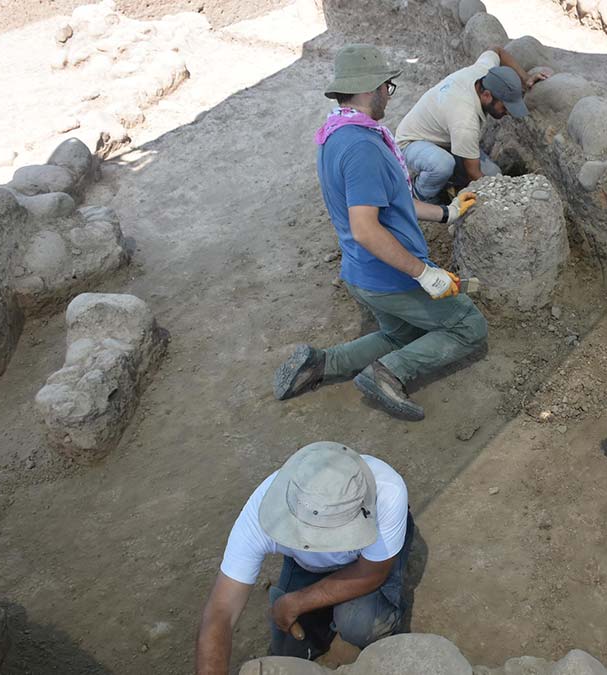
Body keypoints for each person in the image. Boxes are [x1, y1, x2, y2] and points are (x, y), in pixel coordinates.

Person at [272, 44, 488, 421]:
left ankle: (321, 364)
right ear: (372, 88)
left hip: (362, 274)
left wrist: (447, 213)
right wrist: (424, 273)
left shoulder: (335, 133)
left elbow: (394, 202)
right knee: (469, 326)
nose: (388, 94)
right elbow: (366, 229)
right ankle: (388, 374)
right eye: (388, 86)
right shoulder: (362, 148)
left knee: (400, 334)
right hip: (387, 277)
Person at [195, 442, 413, 674]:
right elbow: (221, 610)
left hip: (367, 563)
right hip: (309, 567)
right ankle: (325, 617)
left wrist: (297, 601)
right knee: (287, 652)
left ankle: (377, 616)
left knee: (358, 623)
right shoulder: (261, 513)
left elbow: (372, 573)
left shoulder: (388, 491)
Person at [395, 46, 548, 202]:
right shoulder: (465, 120)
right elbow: (474, 174)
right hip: (412, 142)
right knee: (442, 165)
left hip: (445, 137)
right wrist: (503, 201)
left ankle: (449, 184)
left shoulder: (484, 72)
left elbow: (497, 51)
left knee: (493, 175)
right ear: (487, 95)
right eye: (505, 106)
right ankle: (419, 195)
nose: (508, 112)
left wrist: (526, 78)